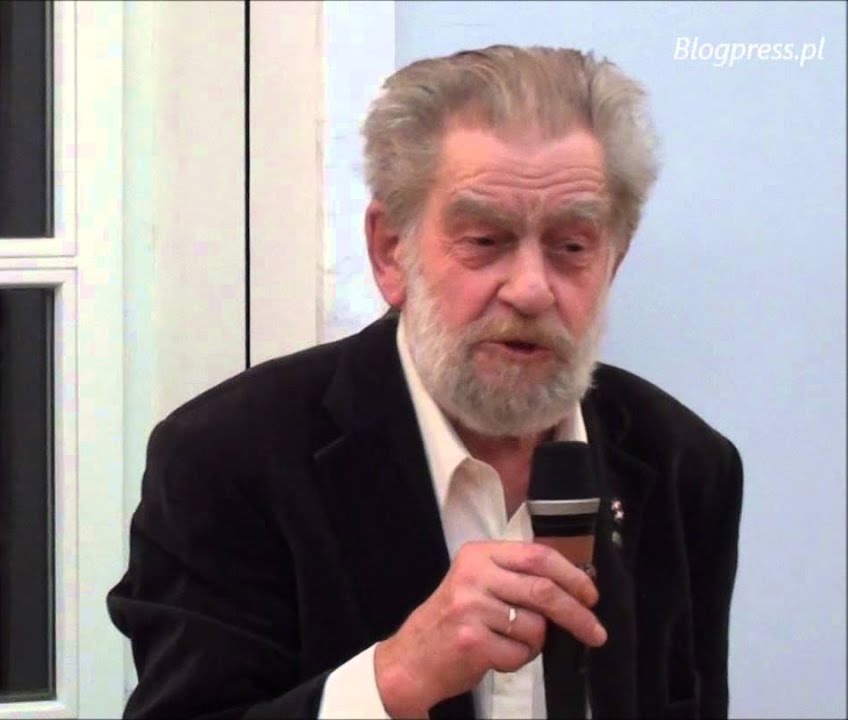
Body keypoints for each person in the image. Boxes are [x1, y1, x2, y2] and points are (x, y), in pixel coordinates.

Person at [108, 45, 743, 719]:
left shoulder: (685, 466)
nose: (531, 289)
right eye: (485, 240)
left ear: (613, 260)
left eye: (571, 247)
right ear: (391, 251)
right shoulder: (228, 459)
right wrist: (395, 678)